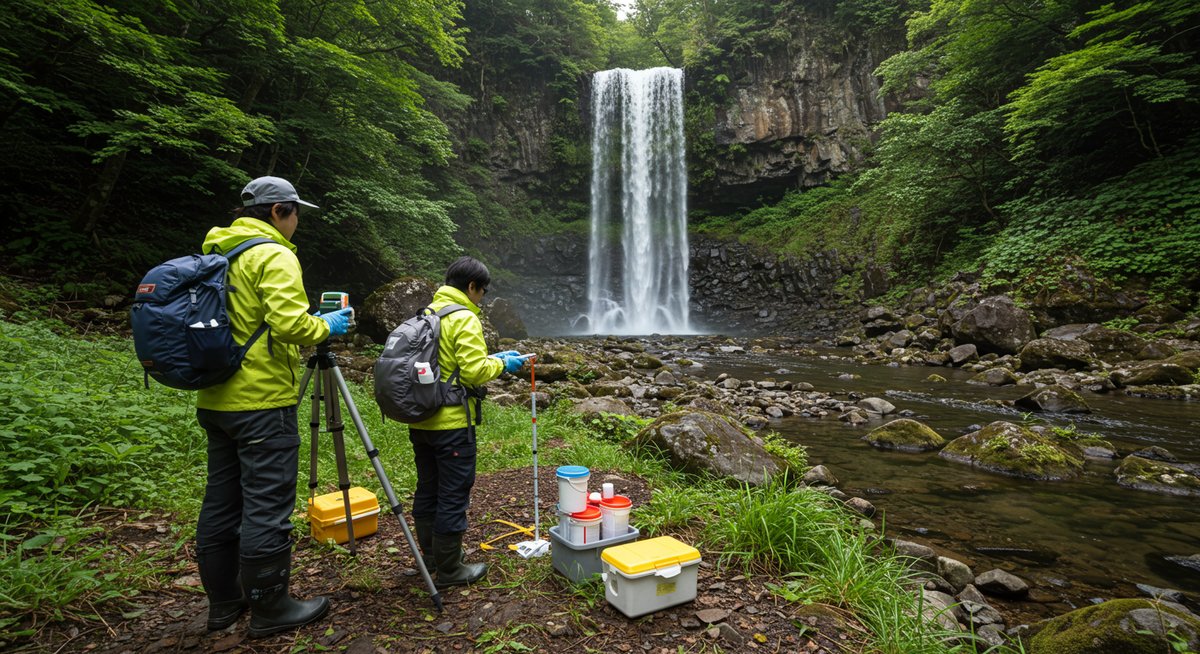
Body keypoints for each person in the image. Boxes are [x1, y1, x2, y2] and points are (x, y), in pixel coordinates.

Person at [193, 176, 353, 637]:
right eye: (296, 212)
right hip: (262, 399)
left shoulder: (217, 253)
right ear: (279, 211)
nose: (298, 221)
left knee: (221, 502)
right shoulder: (273, 253)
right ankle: (271, 608)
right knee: (266, 505)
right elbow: (288, 325)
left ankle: (224, 604)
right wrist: (326, 326)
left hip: (217, 397)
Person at [408, 256, 526, 588]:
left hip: (421, 420)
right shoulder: (464, 318)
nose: (482, 298)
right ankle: (450, 570)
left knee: (427, 488)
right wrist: (503, 365)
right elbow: (473, 371)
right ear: (472, 287)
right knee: (453, 493)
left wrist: (494, 358)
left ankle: (430, 559)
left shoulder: (427, 314)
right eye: (483, 291)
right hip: (451, 424)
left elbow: (446, 365)